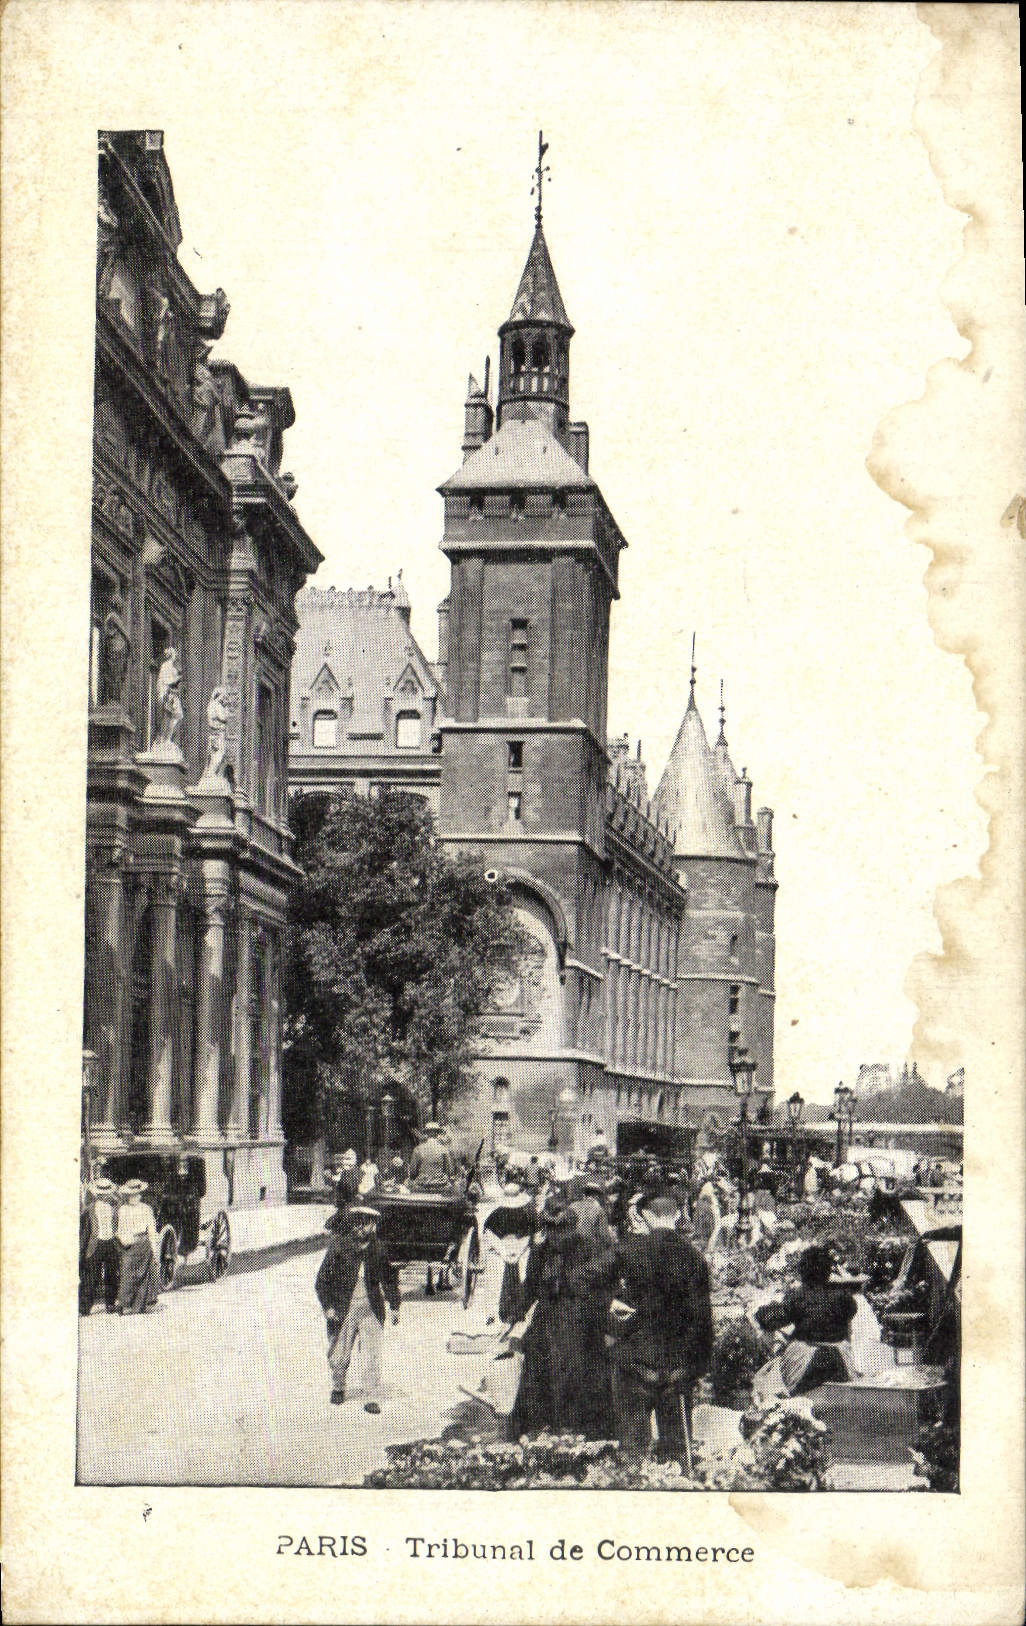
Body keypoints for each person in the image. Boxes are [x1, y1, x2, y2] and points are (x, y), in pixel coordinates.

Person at [608, 1192, 713, 1464]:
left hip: (636, 1357)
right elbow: (702, 1318)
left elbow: (583, 1278)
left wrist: (608, 1305)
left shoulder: (630, 1248)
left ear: (646, 1216)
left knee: (632, 1449)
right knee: (677, 1448)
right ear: (678, 1215)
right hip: (677, 1364)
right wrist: (698, 1366)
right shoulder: (694, 1258)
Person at [507, 1192, 616, 1441]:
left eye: (557, 1229)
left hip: (569, 1318)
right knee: (565, 1371)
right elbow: (533, 1284)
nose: (554, 1235)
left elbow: (532, 1285)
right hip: (565, 1318)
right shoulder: (563, 1248)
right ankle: (566, 1428)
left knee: (561, 1372)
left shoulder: (558, 1248)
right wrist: (518, 1311)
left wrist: (519, 1312)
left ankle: (560, 1427)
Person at [315, 1204, 400, 1411]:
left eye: (371, 1224)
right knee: (339, 1351)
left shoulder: (377, 1248)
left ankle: (370, 1396)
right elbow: (322, 1281)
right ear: (355, 1225)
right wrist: (328, 1307)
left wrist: (394, 1305)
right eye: (364, 1224)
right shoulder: (338, 1246)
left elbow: (389, 1278)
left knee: (372, 1352)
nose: (368, 1228)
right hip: (344, 1305)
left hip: (371, 1306)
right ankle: (338, 1386)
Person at [753, 1242, 858, 1395]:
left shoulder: (799, 1296)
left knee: (777, 1345)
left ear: (803, 1270)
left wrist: (762, 1311)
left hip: (807, 1363)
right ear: (828, 1270)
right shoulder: (844, 1297)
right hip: (840, 1360)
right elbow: (849, 1315)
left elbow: (773, 1319)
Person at [477, 1164, 537, 1328]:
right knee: (523, 1278)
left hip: (499, 1252)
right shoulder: (528, 1213)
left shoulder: (496, 1215)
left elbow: (489, 1235)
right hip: (521, 1252)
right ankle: (519, 1314)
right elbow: (531, 1235)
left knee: (493, 1285)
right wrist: (516, 1252)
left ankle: (492, 1315)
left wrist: (503, 1252)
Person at [114, 1179, 160, 1314]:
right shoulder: (123, 1210)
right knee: (127, 1273)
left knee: (142, 1274)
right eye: (131, 1195)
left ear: (140, 1195)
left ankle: (138, 1306)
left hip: (143, 1242)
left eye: (136, 1194)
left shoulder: (146, 1209)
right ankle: (124, 1303)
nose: (134, 1197)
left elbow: (151, 1228)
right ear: (127, 1196)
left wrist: (154, 1247)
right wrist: (124, 1240)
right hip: (128, 1243)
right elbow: (121, 1228)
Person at [79, 1176, 120, 1314]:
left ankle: (110, 1303)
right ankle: (85, 1307)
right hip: (95, 1245)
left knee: (112, 1275)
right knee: (91, 1276)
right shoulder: (89, 1209)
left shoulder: (115, 1208)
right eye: (103, 1194)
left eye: (107, 1194)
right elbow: (85, 1230)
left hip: (111, 1243)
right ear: (98, 1194)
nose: (105, 1196)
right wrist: (83, 1248)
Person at [408, 1122, 456, 1190]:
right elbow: (450, 1171)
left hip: (422, 1186)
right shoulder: (444, 1149)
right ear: (437, 1133)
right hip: (440, 1186)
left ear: (426, 1133)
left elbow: (412, 1172)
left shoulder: (418, 1149)